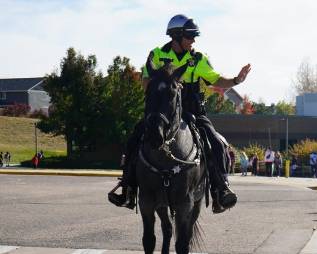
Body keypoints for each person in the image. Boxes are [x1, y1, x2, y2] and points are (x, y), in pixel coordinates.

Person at [107, 14, 251, 213]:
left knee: (216, 143)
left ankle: (221, 189)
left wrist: (236, 80)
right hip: (163, 110)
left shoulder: (199, 58)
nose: (193, 41)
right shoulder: (157, 55)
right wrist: (165, 82)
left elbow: (217, 80)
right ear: (176, 36)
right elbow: (146, 82)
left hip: (193, 110)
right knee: (135, 138)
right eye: (190, 37)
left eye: (194, 38)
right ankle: (128, 189)